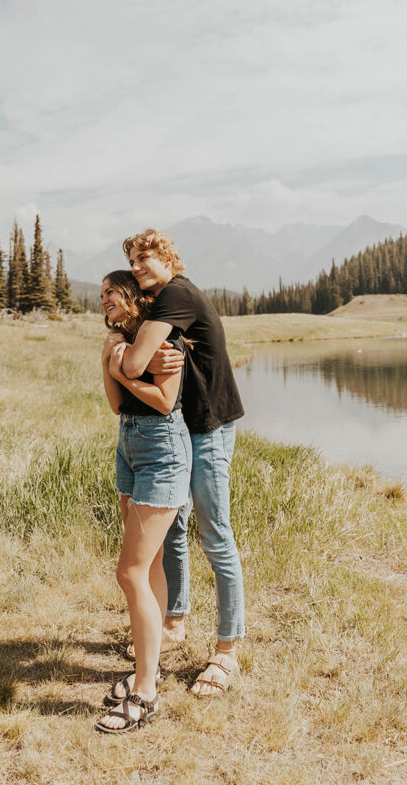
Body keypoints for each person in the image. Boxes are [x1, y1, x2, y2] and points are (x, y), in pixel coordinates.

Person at [119, 229, 245, 697]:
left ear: (169, 257)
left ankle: (227, 649)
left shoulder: (177, 294)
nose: (137, 266)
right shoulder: (160, 301)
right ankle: (174, 622)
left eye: (145, 256)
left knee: (214, 532)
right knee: (173, 528)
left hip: (209, 427)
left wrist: (116, 363)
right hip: (178, 429)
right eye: (132, 259)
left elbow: (133, 365)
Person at [95, 270, 192, 733]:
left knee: (128, 571)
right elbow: (117, 406)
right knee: (147, 567)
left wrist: (123, 371)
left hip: (162, 449)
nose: (103, 304)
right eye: (100, 299)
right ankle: (144, 671)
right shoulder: (120, 343)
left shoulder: (164, 342)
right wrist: (108, 365)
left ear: (130, 296)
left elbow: (163, 401)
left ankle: (146, 694)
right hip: (129, 446)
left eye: (109, 295)